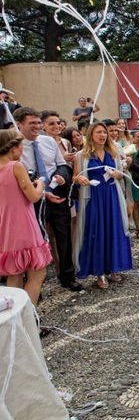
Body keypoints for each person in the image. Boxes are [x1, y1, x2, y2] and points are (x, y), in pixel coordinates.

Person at [14, 106, 82, 291]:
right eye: (32, 123)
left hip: (58, 197)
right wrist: (39, 188)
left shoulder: (48, 142)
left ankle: (67, 276)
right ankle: (34, 283)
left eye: (38, 123)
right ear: (19, 124)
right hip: (32, 200)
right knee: (35, 242)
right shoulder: (14, 144)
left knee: (64, 237)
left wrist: (61, 176)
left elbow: (62, 165)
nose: (36, 126)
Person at [72, 122, 133, 289]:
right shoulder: (81, 155)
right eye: (99, 132)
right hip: (94, 197)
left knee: (114, 230)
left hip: (111, 196)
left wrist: (117, 174)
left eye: (104, 132)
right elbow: (75, 176)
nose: (103, 135)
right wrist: (80, 179)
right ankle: (99, 272)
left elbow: (121, 175)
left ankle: (114, 268)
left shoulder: (112, 153)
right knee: (96, 232)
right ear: (91, 134)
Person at [0, 129, 51, 305]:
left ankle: (14, 321)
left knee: (14, 276)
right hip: (23, 223)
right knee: (37, 273)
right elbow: (34, 196)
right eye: (21, 146)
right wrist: (40, 184)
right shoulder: (16, 166)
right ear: (12, 147)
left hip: (5, 226)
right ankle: (29, 320)